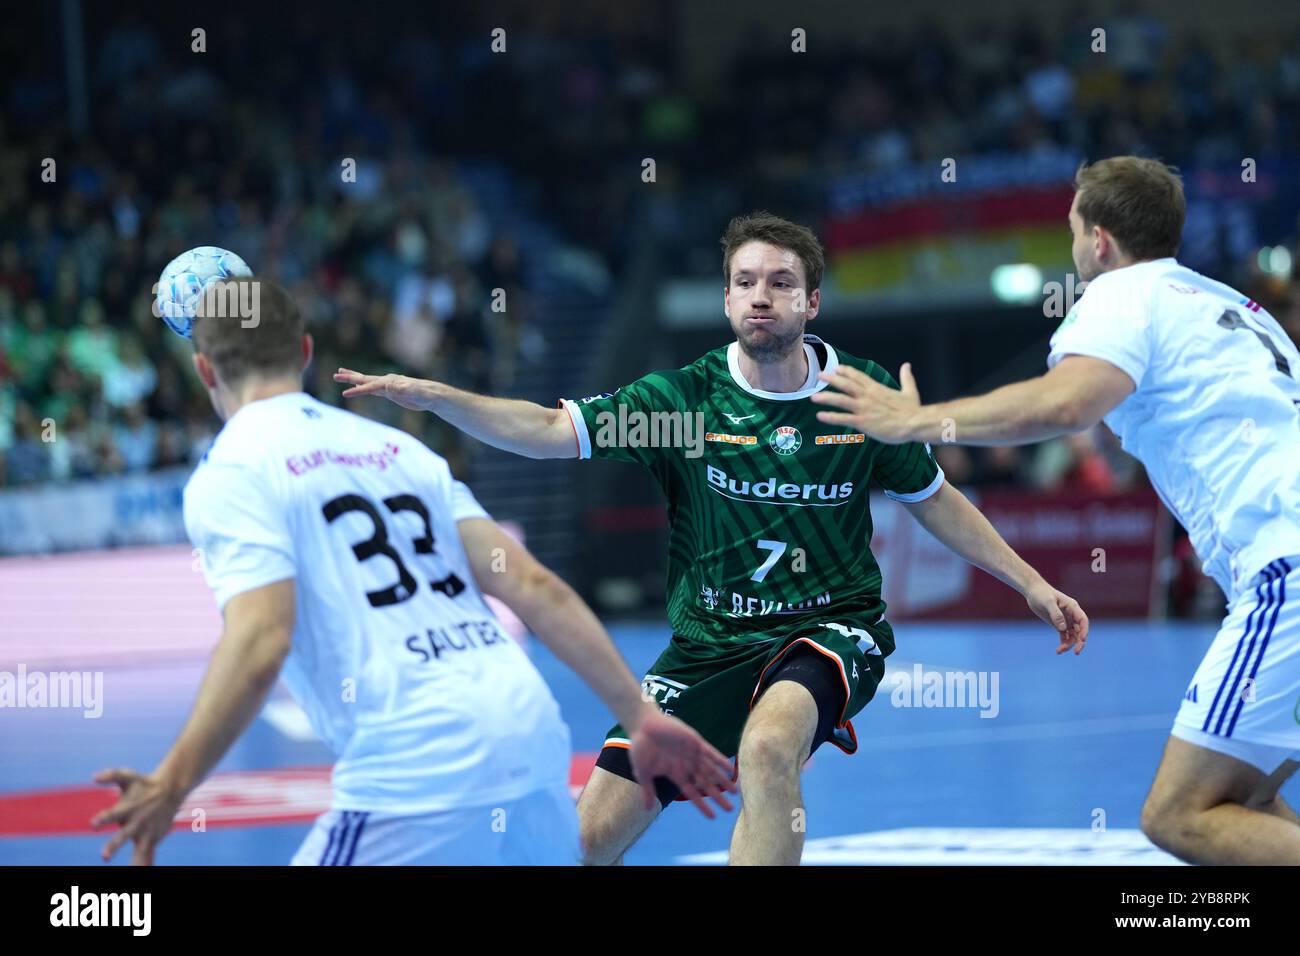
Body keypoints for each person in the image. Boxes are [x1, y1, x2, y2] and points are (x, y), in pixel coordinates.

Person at [333, 212, 1089, 865]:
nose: (763, 295)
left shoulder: (857, 398)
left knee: (766, 750)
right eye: (747, 280)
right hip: (706, 646)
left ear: (812, 301)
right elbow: (545, 430)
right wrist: (435, 398)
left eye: (782, 282)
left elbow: (935, 499)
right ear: (727, 298)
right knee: (587, 841)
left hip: (830, 629)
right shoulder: (682, 405)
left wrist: (1030, 580)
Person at [91, 277, 734, 866]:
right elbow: (533, 587)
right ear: (307, 352)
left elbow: (261, 640)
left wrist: (172, 782)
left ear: (203, 368)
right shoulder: (398, 448)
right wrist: (641, 716)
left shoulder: (231, 471)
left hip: (419, 757)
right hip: (526, 730)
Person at [808, 156, 1300, 864]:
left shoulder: (1122, 292)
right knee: (1242, 798)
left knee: (1179, 815)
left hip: (1285, 573)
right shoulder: (1236, 309)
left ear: (1098, 241)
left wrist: (919, 421)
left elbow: (1066, 402)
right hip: (1281, 568)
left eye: (1072, 227)